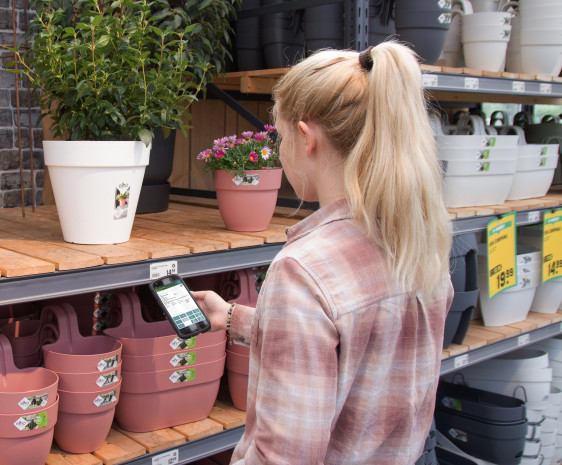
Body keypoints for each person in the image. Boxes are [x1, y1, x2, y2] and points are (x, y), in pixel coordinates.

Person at [191, 41, 454, 464]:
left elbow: (283, 458)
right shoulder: (418, 240)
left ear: (306, 139)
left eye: (280, 136)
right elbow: (359, 342)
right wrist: (238, 320)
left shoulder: (304, 271)